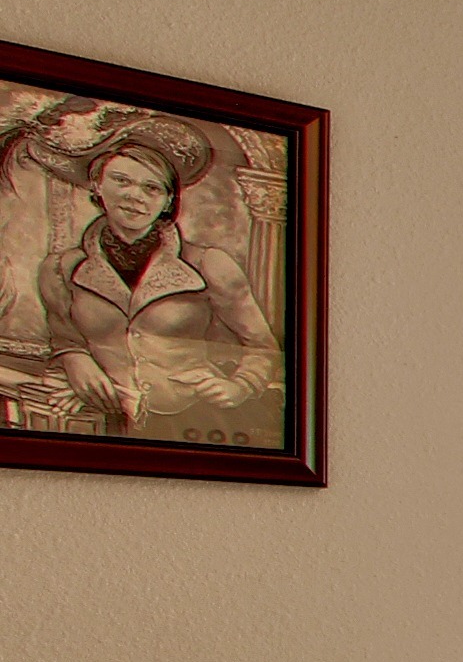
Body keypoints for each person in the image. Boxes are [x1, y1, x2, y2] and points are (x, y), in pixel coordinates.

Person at [36, 124, 280, 439]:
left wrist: (240, 386)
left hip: (191, 423)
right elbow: (66, 339)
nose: (134, 196)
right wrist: (74, 360)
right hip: (106, 420)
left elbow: (262, 346)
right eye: (121, 181)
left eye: (152, 188)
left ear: (167, 201)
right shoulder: (60, 268)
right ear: (97, 186)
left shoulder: (209, 265)